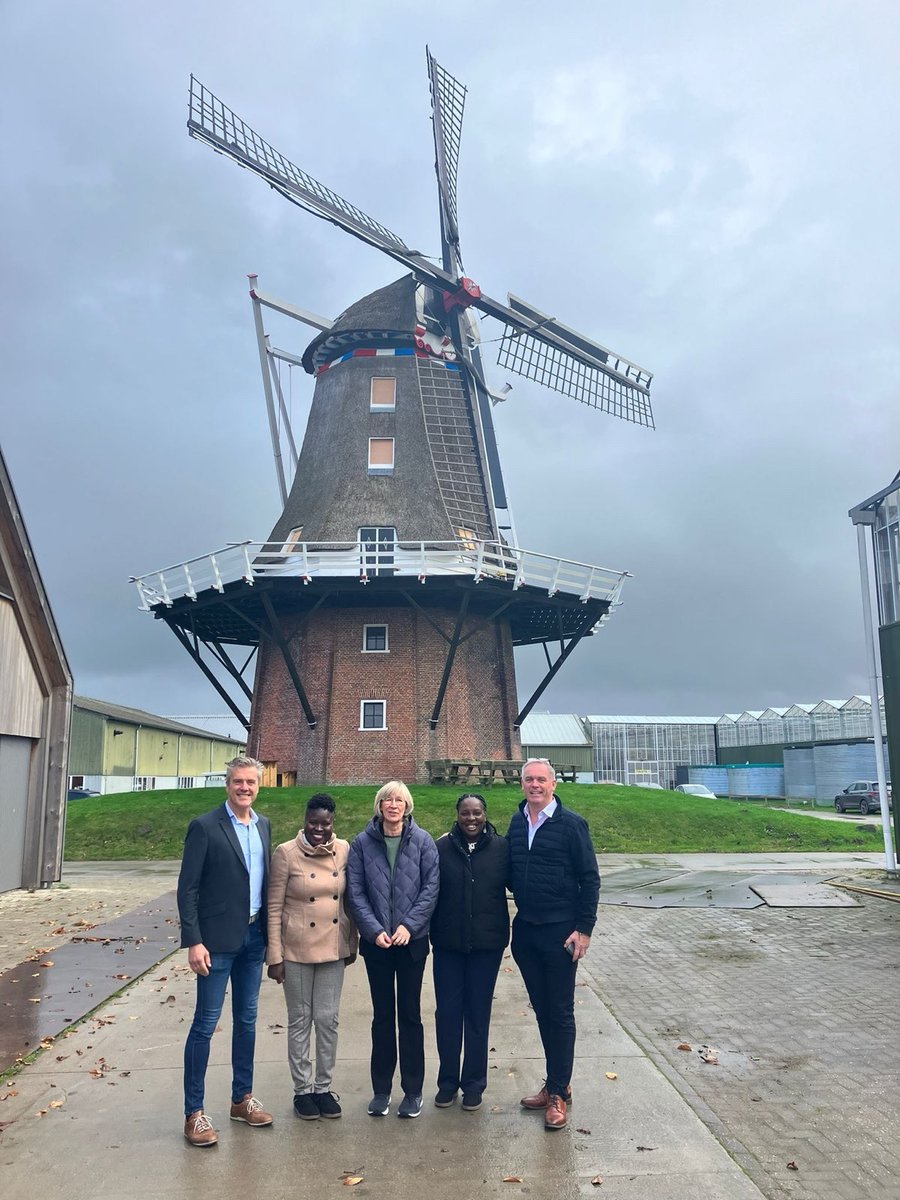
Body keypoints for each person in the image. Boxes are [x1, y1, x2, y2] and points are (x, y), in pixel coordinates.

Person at [177, 755, 273, 1147]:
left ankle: (241, 1098)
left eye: (251, 782)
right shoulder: (204, 827)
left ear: (258, 785)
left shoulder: (263, 825)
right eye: (238, 782)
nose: (245, 788)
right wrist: (194, 940)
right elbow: (188, 889)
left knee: (247, 1021)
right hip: (215, 943)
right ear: (227, 785)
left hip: (253, 938)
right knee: (205, 1024)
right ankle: (194, 1113)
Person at [506, 758, 600, 1131]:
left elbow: (590, 879)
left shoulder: (572, 825)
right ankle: (556, 1082)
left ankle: (558, 1092)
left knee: (560, 1012)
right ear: (521, 784)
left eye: (541, 780)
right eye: (529, 779)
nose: (535, 785)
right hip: (526, 930)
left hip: (561, 932)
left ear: (554, 784)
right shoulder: (517, 822)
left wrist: (585, 929)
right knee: (543, 1010)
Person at [347, 781, 439, 1119]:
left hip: (410, 942)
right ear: (379, 805)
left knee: (411, 1016)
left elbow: (431, 888)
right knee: (383, 1016)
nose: (393, 804)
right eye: (387, 799)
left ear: (408, 806)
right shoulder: (361, 844)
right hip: (378, 945)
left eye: (399, 799)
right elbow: (355, 892)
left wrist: (408, 926)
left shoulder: (423, 842)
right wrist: (373, 930)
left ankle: (413, 1090)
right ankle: (381, 1090)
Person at [266, 793, 358, 1120]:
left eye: (325, 823)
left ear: (333, 822)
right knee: (301, 1020)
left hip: (333, 946)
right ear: (304, 820)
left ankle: (323, 1086)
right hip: (296, 948)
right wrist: (274, 955)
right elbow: (274, 906)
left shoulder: (345, 849)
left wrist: (351, 940)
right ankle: (302, 1090)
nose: (319, 829)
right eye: (313, 822)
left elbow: (350, 900)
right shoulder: (285, 853)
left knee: (328, 1019)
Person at [430, 792, 510, 1111]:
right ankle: (448, 1081)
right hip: (448, 945)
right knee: (447, 1015)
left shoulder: (502, 849)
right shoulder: (441, 848)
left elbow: (523, 884)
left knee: (478, 1014)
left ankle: (474, 1083)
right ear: (457, 815)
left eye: (477, 813)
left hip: (486, 946)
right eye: (466, 813)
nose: (472, 819)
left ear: (485, 814)